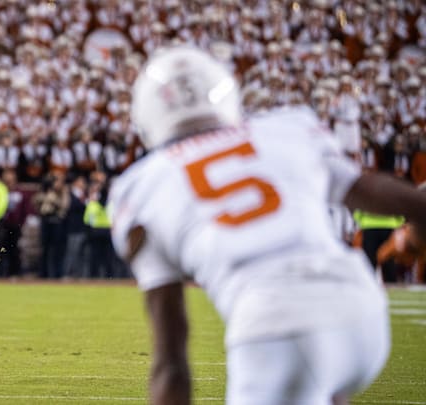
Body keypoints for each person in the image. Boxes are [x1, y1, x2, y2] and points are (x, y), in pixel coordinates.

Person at [108, 45, 426, 405]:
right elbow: (380, 191)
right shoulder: (285, 128)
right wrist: (416, 234)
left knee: (301, 376)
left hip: (277, 331)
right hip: (362, 315)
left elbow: (171, 364)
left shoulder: (140, 187)